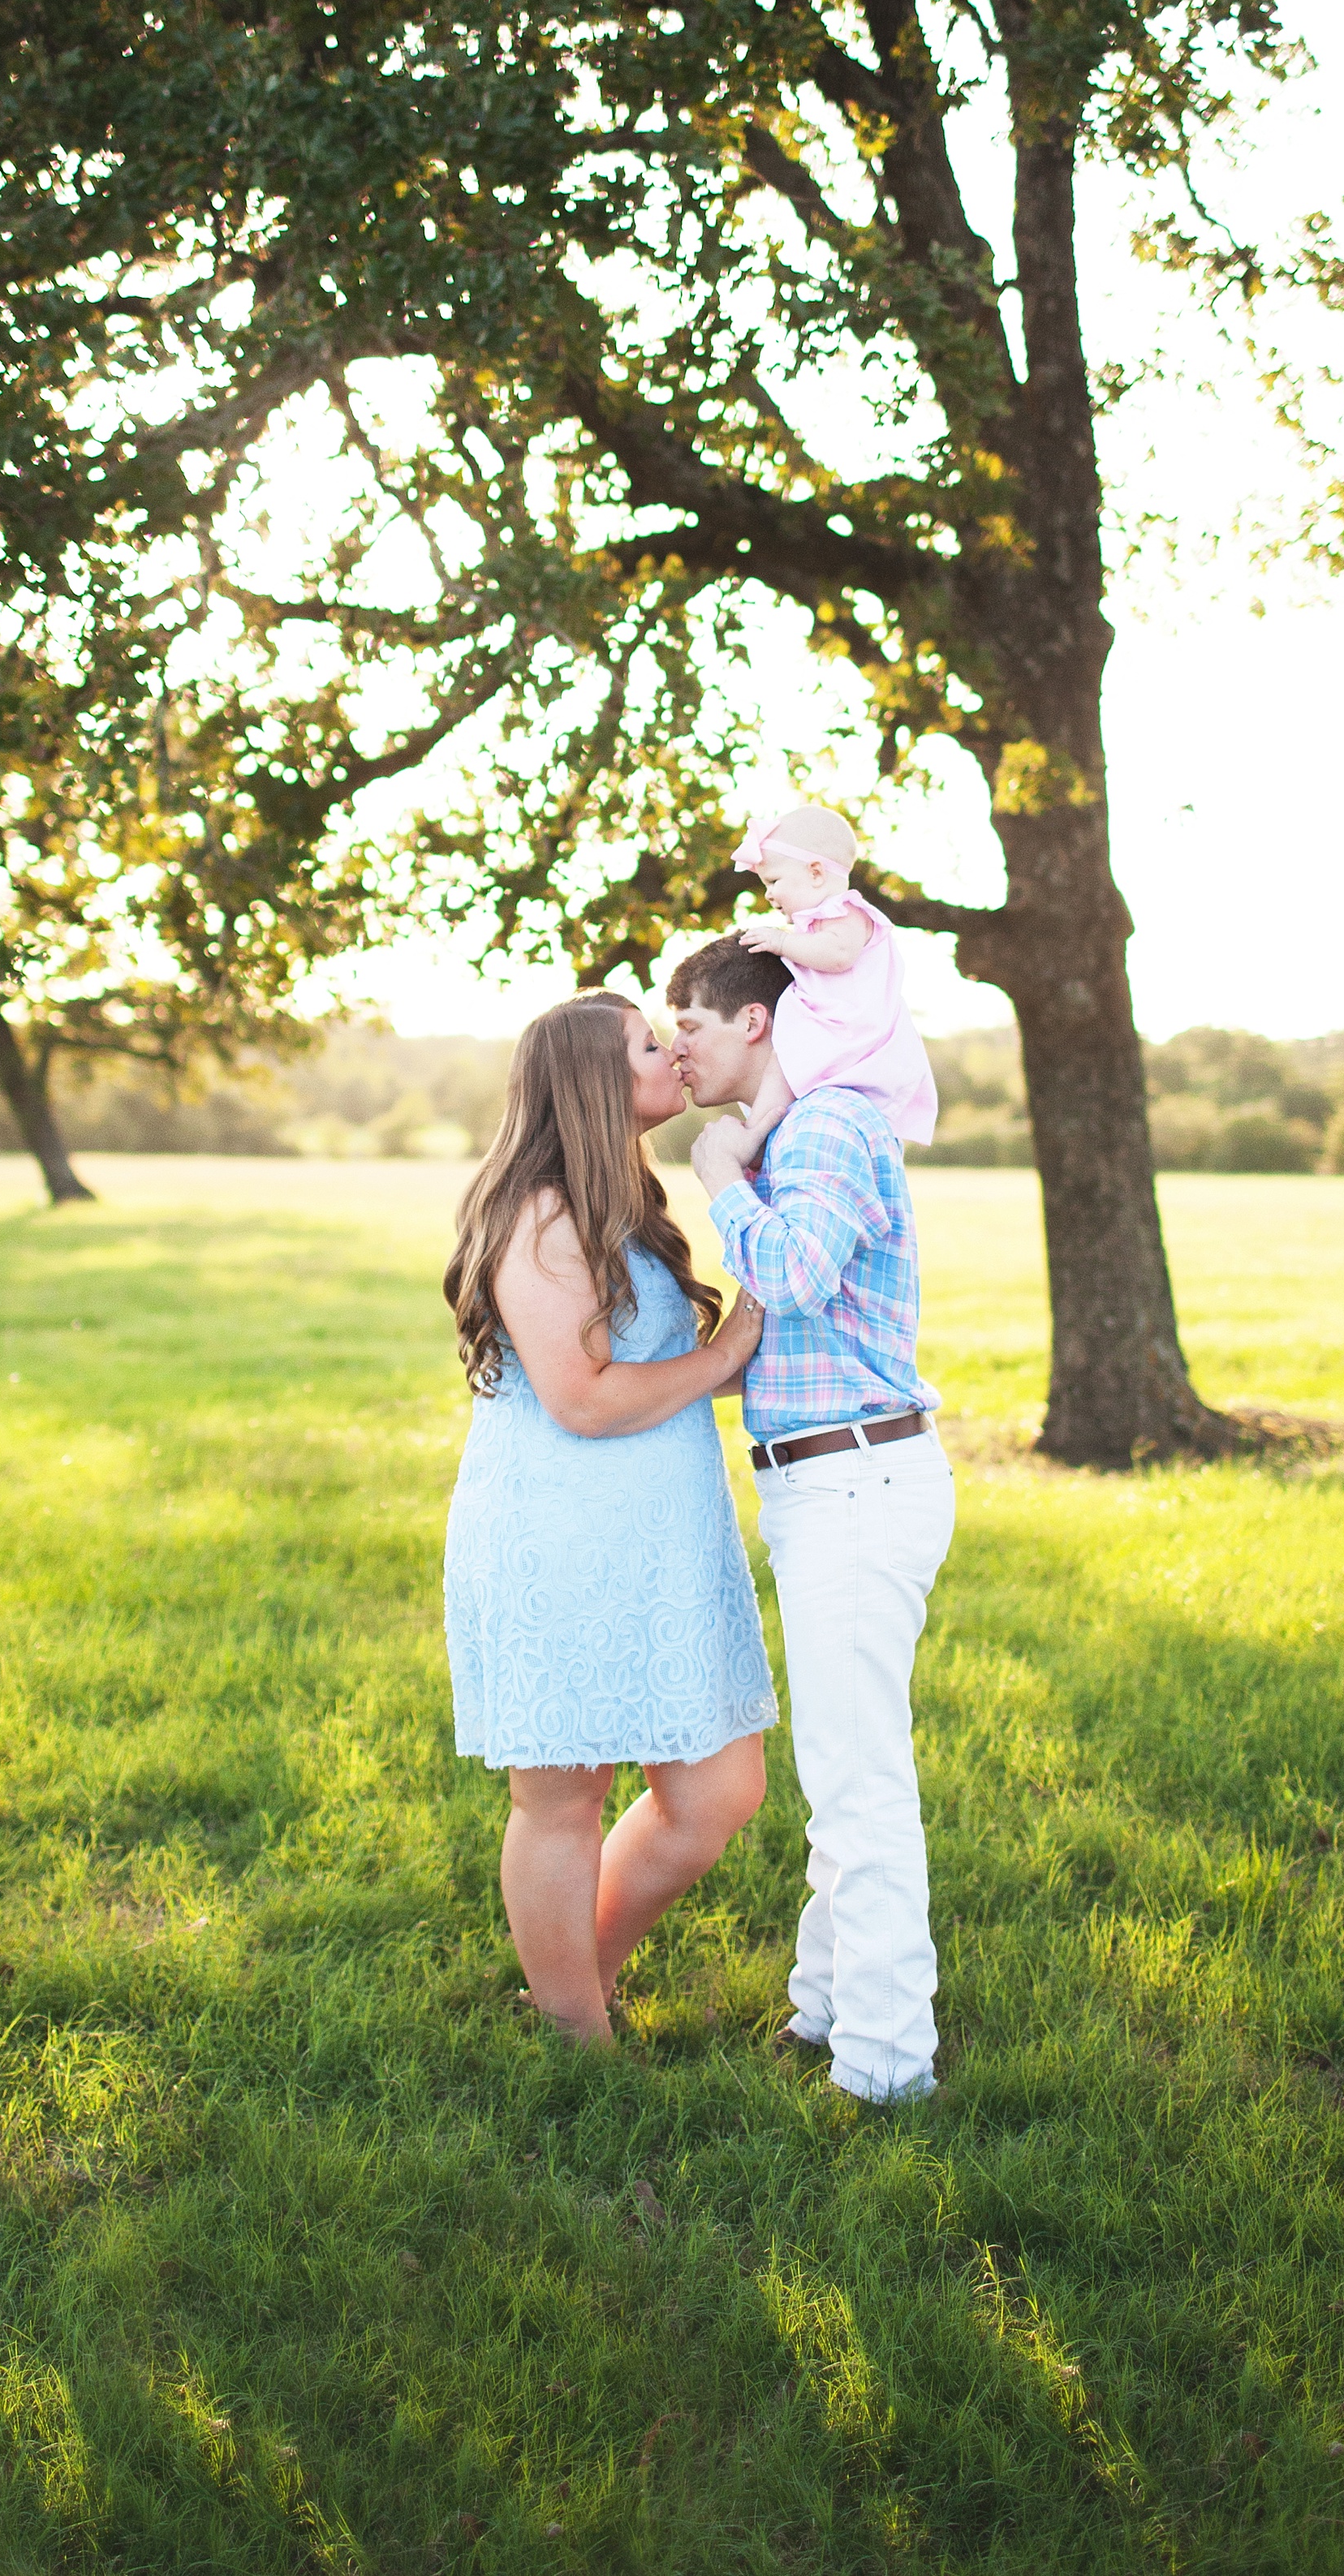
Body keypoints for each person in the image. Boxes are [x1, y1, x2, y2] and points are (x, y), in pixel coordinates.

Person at [441, 991, 777, 2046]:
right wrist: (725, 1353)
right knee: (564, 1791)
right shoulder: (540, 1211)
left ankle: (572, 1984)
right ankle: (576, 2035)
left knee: (716, 1792)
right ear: (592, 1078)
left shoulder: (623, 1199)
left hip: (662, 1536)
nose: (674, 1050)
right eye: (648, 1042)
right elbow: (582, 1398)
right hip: (561, 1536)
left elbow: (652, 1372)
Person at [669, 935, 954, 2105]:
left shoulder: (826, 1124)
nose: (674, 1043)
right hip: (822, 1479)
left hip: (855, 1484)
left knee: (859, 1784)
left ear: (753, 1021)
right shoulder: (795, 1134)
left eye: (686, 1019)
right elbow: (783, 1333)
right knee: (840, 1768)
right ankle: (823, 2010)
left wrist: (720, 1178)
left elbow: (788, 1273)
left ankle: (885, 2072)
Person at [723, 802, 939, 1167]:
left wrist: (781, 942)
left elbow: (838, 954)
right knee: (782, 1064)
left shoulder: (847, 912)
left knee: (785, 1063)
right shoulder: (815, 923)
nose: (769, 895)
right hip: (836, 1027)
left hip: (855, 1031)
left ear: (816, 873)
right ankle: (761, 1134)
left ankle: (756, 1136)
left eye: (774, 882)